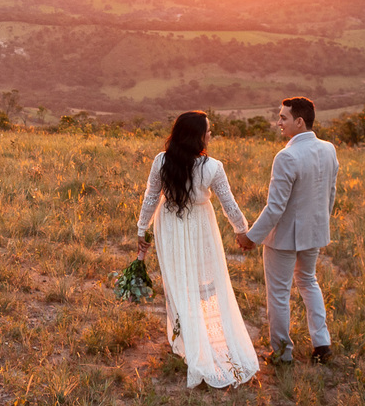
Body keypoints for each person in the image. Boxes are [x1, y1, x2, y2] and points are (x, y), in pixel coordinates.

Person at [136, 111, 259, 388]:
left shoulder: (162, 161)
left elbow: (151, 197)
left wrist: (141, 229)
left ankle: (190, 342)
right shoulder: (212, 166)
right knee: (206, 284)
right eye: (209, 130)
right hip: (201, 226)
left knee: (179, 283)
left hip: (169, 225)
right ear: (198, 135)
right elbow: (229, 204)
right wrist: (243, 231)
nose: (211, 134)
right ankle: (197, 341)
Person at [237, 96, 339, 365]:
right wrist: (319, 223)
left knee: (279, 294)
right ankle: (322, 344)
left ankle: (282, 353)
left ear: (299, 121)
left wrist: (250, 238)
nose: (278, 122)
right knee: (309, 282)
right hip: (314, 233)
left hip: (283, 238)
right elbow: (331, 193)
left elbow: (275, 208)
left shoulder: (287, 156)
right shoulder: (329, 149)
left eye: (283, 117)